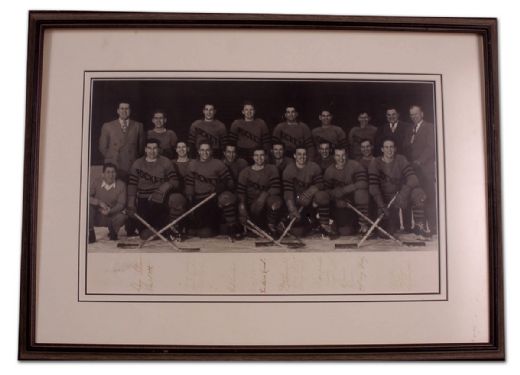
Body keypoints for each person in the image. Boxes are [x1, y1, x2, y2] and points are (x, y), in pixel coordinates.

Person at [368, 139, 430, 238]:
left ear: (395, 149)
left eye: (391, 147)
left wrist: (403, 194)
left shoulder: (401, 159)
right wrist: (381, 206)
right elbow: (373, 188)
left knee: (418, 193)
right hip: (384, 200)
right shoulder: (375, 162)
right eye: (386, 147)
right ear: (382, 149)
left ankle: (419, 226)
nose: (389, 150)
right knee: (386, 233)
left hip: (398, 196)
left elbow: (413, 179)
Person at [126, 138, 185, 240]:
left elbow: (175, 182)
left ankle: (173, 227)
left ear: (158, 149)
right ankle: (164, 230)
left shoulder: (165, 162)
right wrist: (131, 204)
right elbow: (132, 185)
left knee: (177, 198)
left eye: (155, 148)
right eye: (149, 148)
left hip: (161, 199)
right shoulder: (137, 163)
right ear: (145, 149)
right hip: (144, 200)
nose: (152, 151)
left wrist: (161, 190)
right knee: (145, 235)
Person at [185, 141, 242, 239]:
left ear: (211, 151)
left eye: (207, 150)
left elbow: (230, 183)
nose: (205, 153)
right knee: (204, 234)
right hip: (200, 201)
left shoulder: (218, 164)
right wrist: (190, 201)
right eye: (202, 150)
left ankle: (232, 227)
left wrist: (222, 185)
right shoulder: (192, 164)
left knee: (226, 197)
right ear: (198, 151)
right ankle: (209, 228)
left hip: (214, 199)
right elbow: (189, 185)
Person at [282, 147, 336, 238]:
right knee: (298, 232)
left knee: (322, 196)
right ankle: (311, 225)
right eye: (299, 154)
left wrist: (310, 191)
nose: (302, 156)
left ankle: (324, 225)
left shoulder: (314, 167)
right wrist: (292, 208)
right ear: (294, 156)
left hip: (312, 200)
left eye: (304, 154)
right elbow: (288, 192)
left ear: (307, 155)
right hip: (298, 200)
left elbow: (320, 184)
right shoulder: (288, 170)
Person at [237, 148, 283, 236]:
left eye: (262, 155)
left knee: (275, 200)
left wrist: (264, 196)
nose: (259, 158)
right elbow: (240, 192)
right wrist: (242, 207)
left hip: (267, 206)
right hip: (252, 206)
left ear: (265, 156)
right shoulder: (245, 172)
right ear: (253, 157)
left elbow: (276, 188)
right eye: (256, 155)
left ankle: (271, 225)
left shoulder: (272, 168)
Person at [324, 148, 369, 236]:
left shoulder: (355, 165)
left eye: (343, 155)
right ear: (334, 156)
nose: (341, 158)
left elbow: (363, 183)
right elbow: (326, 190)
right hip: (341, 204)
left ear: (347, 155)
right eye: (338, 155)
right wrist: (336, 197)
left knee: (361, 193)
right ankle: (338, 225)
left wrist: (344, 190)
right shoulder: (329, 171)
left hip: (355, 202)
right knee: (346, 232)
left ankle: (363, 224)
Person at [408, 105, 437, 234]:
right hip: (415, 169)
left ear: (422, 114)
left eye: (416, 114)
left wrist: (420, 161)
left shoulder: (429, 127)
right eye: (411, 115)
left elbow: (431, 148)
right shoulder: (411, 129)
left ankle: (433, 228)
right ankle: (420, 226)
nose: (414, 117)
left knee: (429, 197)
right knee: (419, 197)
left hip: (425, 169)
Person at [98, 101, 145, 182]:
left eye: (127, 108)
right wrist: (113, 158)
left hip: (132, 165)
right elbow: (102, 147)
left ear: (130, 111)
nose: (124, 111)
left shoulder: (138, 126)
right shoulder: (107, 126)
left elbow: (141, 148)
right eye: (122, 108)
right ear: (118, 111)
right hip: (114, 166)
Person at [88, 163, 127, 243]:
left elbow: (121, 204)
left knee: (122, 216)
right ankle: (91, 233)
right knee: (88, 208)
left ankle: (113, 232)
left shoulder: (121, 185)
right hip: (98, 215)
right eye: (108, 172)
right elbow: (86, 197)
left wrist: (110, 210)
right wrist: (99, 202)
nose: (111, 175)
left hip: (112, 215)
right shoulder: (96, 182)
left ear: (116, 174)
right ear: (103, 174)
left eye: (113, 172)